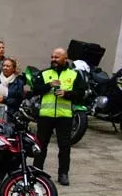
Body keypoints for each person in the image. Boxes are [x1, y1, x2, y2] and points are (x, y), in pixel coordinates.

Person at [33, 47, 84, 186]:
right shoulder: (44, 73)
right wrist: (49, 85)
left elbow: (81, 94)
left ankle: (63, 174)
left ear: (64, 58)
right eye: (52, 57)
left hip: (64, 116)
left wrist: (67, 94)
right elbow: (35, 90)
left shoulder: (74, 75)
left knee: (64, 146)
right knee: (41, 145)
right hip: (45, 115)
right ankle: (37, 171)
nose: (53, 60)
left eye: (57, 57)